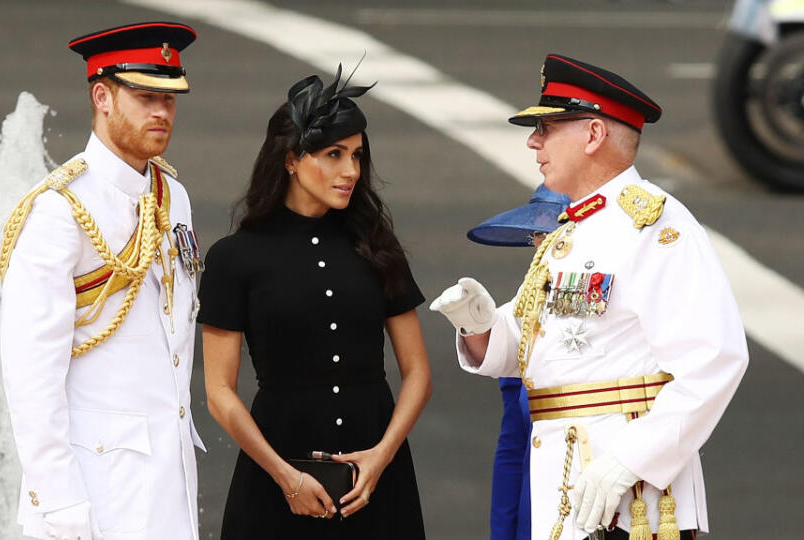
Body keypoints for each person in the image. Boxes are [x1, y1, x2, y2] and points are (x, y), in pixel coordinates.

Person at [431, 54, 748, 540]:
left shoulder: (657, 225)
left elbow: (715, 359)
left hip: (631, 495)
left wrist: (630, 459)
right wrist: (476, 324)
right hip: (563, 484)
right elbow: (521, 353)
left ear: (594, 135)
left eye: (549, 128)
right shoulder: (571, 231)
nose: (534, 142)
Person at [196, 66, 432, 539]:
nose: (351, 171)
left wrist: (380, 457)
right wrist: (285, 477)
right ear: (290, 159)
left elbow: (417, 372)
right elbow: (219, 393)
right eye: (334, 154)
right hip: (275, 480)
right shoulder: (233, 259)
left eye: (357, 156)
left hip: (377, 483)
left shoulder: (377, 246)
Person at [0, 22, 205, 540]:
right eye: (144, 96)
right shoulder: (59, 211)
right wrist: (59, 501)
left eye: (170, 97)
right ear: (102, 96)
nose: (162, 111)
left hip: (168, 481)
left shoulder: (171, 195)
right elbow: (30, 374)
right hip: (90, 490)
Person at [466, 184, 571, 540]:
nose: (542, 246)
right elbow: (513, 448)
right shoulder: (529, 314)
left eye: (555, 234)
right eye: (539, 234)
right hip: (536, 509)